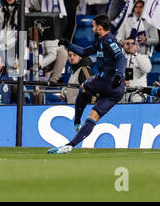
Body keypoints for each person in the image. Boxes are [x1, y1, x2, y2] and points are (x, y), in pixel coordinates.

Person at [47, 14, 126, 154]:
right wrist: (68, 44)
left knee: (83, 86)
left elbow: (121, 58)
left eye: (94, 26)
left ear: (100, 27)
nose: (92, 28)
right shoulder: (101, 41)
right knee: (93, 117)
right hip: (117, 90)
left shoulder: (109, 40)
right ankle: (70, 145)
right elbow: (84, 51)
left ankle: (77, 121)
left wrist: (119, 75)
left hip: (107, 81)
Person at [120, 36, 152, 102]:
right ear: (123, 46)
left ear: (137, 46)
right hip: (121, 96)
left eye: (132, 43)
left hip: (137, 96)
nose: (130, 45)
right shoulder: (118, 59)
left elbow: (147, 69)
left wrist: (135, 54)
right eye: (127, 43)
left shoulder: (143, 57)